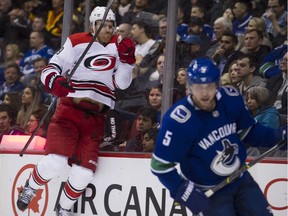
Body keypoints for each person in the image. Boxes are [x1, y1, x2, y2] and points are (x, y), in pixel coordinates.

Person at [16, 6, 135, 216]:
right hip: (69, 111)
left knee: (84, 173)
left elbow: (122, 84)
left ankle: (63, 209)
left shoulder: (119, 46)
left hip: (97, 118)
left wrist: (126, 62)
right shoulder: (77, 41)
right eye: (102, 25)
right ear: (93, 25)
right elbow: (51, 68)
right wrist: (56, 81)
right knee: (56, 161)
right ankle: (32, 186)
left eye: (110, 25)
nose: (107, 29)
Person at [150, 58, 285, 216]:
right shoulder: (177, 121)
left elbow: (248, 132)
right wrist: (185, 192)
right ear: (189, 87)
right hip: (211, 193)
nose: (205, 93)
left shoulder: (231, 99)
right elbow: (160, 166)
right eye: (199, 87)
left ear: (217, 85)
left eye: (210, 86)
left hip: (241, 180)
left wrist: (278, 135)